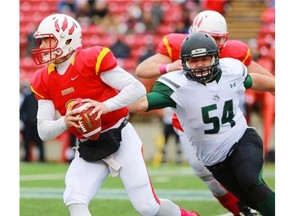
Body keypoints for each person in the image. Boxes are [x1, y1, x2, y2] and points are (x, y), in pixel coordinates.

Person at [29, 14, 199, 216]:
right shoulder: (43, 79)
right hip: (88, 145)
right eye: (42, 40)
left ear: (67, 39)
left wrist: (104, 107)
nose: (43, 45)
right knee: (74, 197)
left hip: (120, 135)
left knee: (147, 207)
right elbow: (44, 131)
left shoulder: (91, 59)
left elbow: (136, 89)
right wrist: (65, 121)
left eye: (48, 39)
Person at [135, 9, 275, 216]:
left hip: (226, 120)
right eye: (208, 36)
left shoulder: (234, 56)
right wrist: (169, 67)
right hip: (189, 124)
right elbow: (143, 70)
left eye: (217, 38)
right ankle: (243, 209)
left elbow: (264, 79)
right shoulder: (177, 47)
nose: (211, 42)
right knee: (206, 173)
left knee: (248, 176)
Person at [20, 84, 45, 162]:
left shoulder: (40, 98)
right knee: (27, 142)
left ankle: (41, 158)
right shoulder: (27, 98)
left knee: (39, 142)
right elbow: (21, 111)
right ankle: (27, 158)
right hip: (28, 124)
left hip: (38, 124)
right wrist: (24, 119)